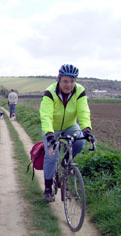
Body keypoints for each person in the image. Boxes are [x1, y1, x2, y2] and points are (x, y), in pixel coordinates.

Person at [39, 64, 95, 202]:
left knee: (80, 141)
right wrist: (50, 135)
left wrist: (87, 129)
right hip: (53, 128)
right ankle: (47, 189)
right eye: (65, 81)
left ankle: (65, 162)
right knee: (51, 157)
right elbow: (46, 115)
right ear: (59, 80)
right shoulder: (50, 92)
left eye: (72, 81)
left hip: (70, 125)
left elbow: (83, 111)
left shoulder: (79, 91)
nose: (68, 84)